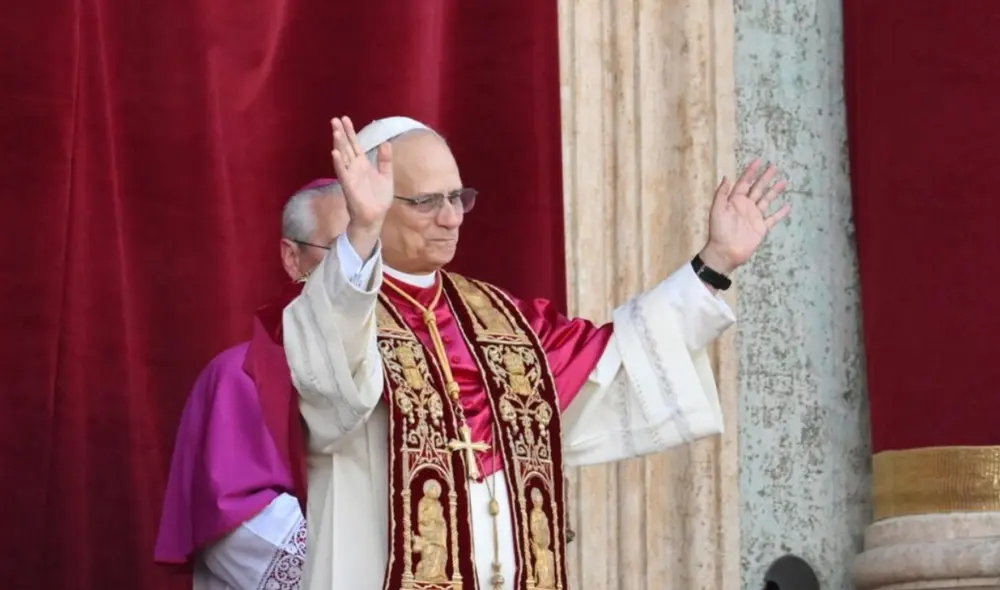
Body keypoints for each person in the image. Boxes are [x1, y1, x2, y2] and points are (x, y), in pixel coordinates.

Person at [283, 116, 792, 590]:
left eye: (458, 197)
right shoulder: (341, 307)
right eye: (426, 202)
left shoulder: (502, 318)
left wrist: (715, 263)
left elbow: (615, 359)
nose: (451, 217)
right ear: (374, 200)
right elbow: (332, 387)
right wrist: (362, 232)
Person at [155, 179, 350, 589]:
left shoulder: (417, 372)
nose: (362, 270)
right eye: (342, 248)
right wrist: (375, 562)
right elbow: (238, 527)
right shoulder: (241, 375)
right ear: (293, 258)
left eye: (374, 250)